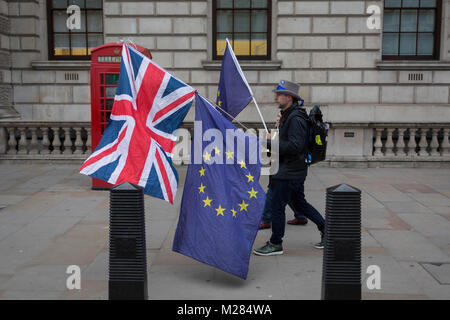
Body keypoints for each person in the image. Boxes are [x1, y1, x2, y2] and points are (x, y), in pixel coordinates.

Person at [254, 80, 325, 256]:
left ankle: (275, 243)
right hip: (290, 170)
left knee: (278, 208)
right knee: (301, 204)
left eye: (279, 94)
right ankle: (328, 230)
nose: (276, 97)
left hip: (289, 172)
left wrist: (269, 142)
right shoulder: (287, 115)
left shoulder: (296, 119)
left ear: (289, 97)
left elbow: (295, 146)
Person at [259, 109, 308, 229]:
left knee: (273, 192)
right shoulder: (280, 130)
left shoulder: (286, 129)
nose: (277, 120)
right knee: (294, 196)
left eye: (279, 118)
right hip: (291, 170)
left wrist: (270, 141)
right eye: (276, 117)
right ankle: (301, 216)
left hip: (286, 169)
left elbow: (283, 149)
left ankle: (266, 219)